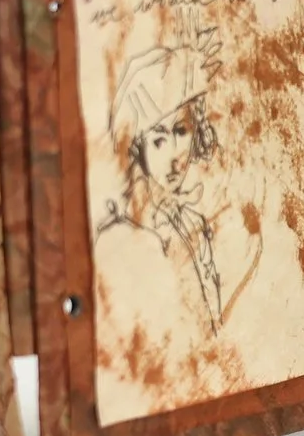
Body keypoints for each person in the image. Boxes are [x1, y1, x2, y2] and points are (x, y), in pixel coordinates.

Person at [96, 46, 225, 335]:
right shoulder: (121, 237)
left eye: (181, 131)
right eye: (158, 140)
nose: (174, 154)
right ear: (138, 148)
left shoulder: (191, 223)